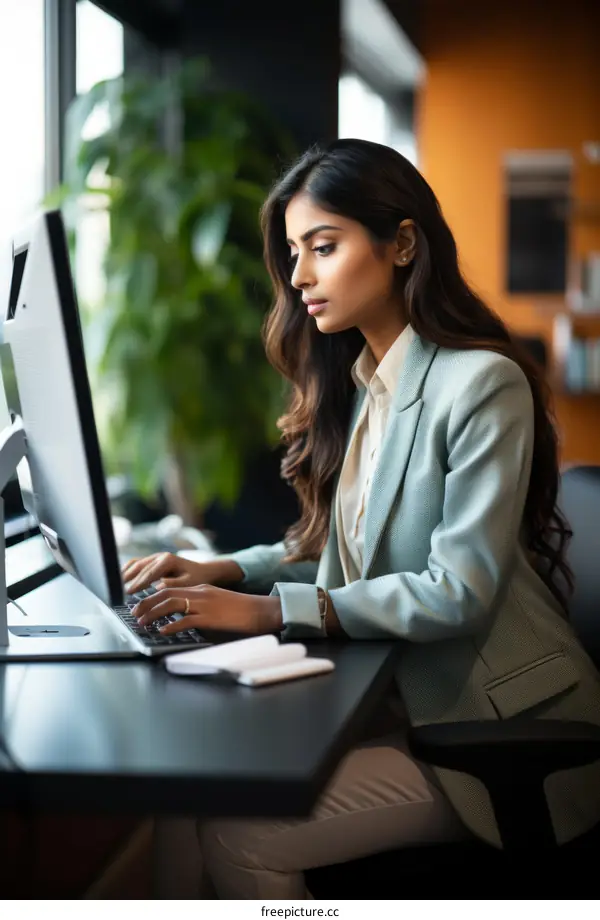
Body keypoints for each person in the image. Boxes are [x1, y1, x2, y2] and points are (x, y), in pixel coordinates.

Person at [122, 139, 600, 899]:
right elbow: (351, 559)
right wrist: (229, 569)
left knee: (243, 833)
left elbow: (456, 590)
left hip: (491, 730)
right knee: (189, 787)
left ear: (402, 243)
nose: (301, 276)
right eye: (293, 253)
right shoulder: (368, 384)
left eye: (324, 246)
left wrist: (263, 611)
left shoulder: (482, 385)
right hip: (404, 701)